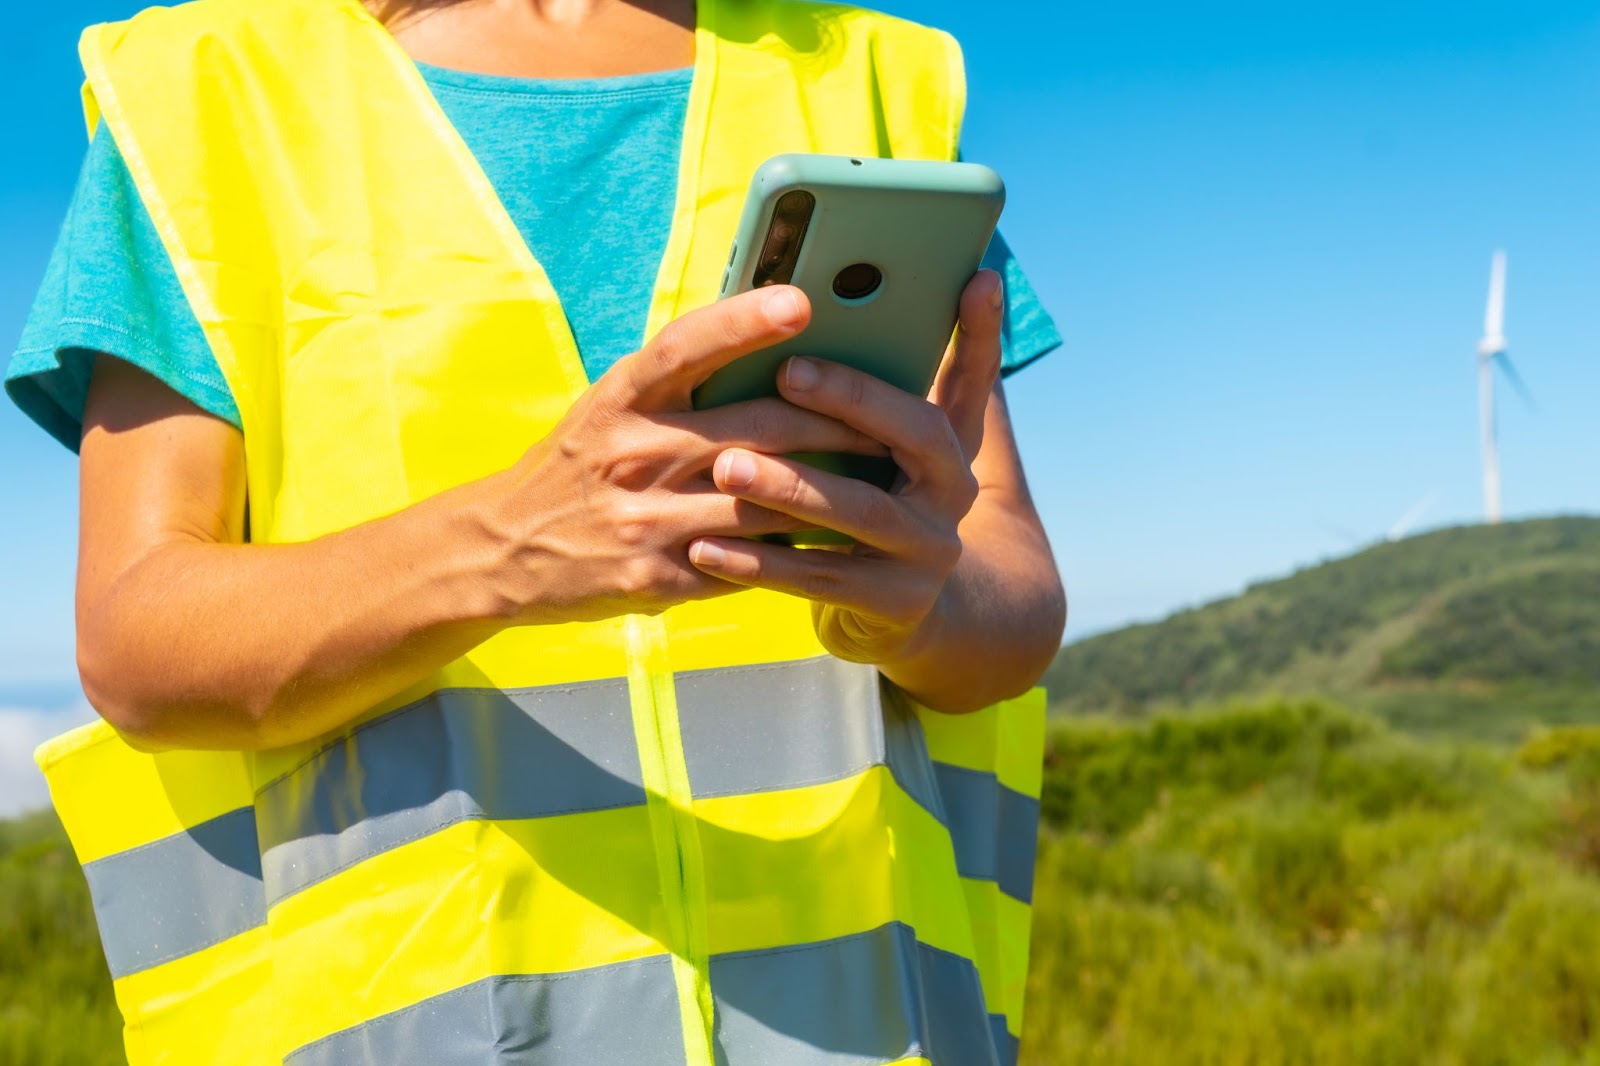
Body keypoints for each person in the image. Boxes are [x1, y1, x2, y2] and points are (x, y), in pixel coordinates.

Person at [8, 0, 1067, 1063]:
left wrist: (918, 603)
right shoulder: (205, 89)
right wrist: (507, 546)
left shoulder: (874, 79)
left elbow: (1013, 594)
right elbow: (135, 639)